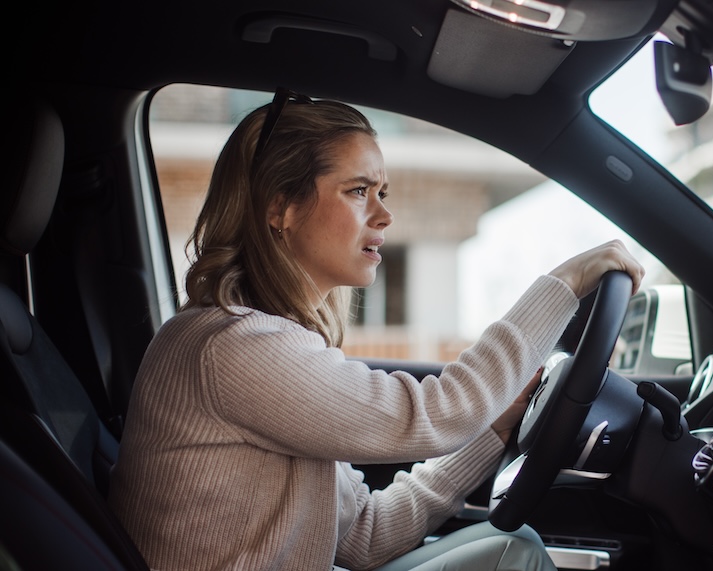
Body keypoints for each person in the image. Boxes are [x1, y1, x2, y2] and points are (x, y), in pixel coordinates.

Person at [107, 87, 645, 571]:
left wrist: (492, 431)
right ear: (281, 207)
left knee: (513, 547)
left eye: (382, 191)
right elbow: (436, 413)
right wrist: (564, 283)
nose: (384, 215)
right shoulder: (233, 347)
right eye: (359, 191)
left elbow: (364, 535)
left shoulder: (265, 343)